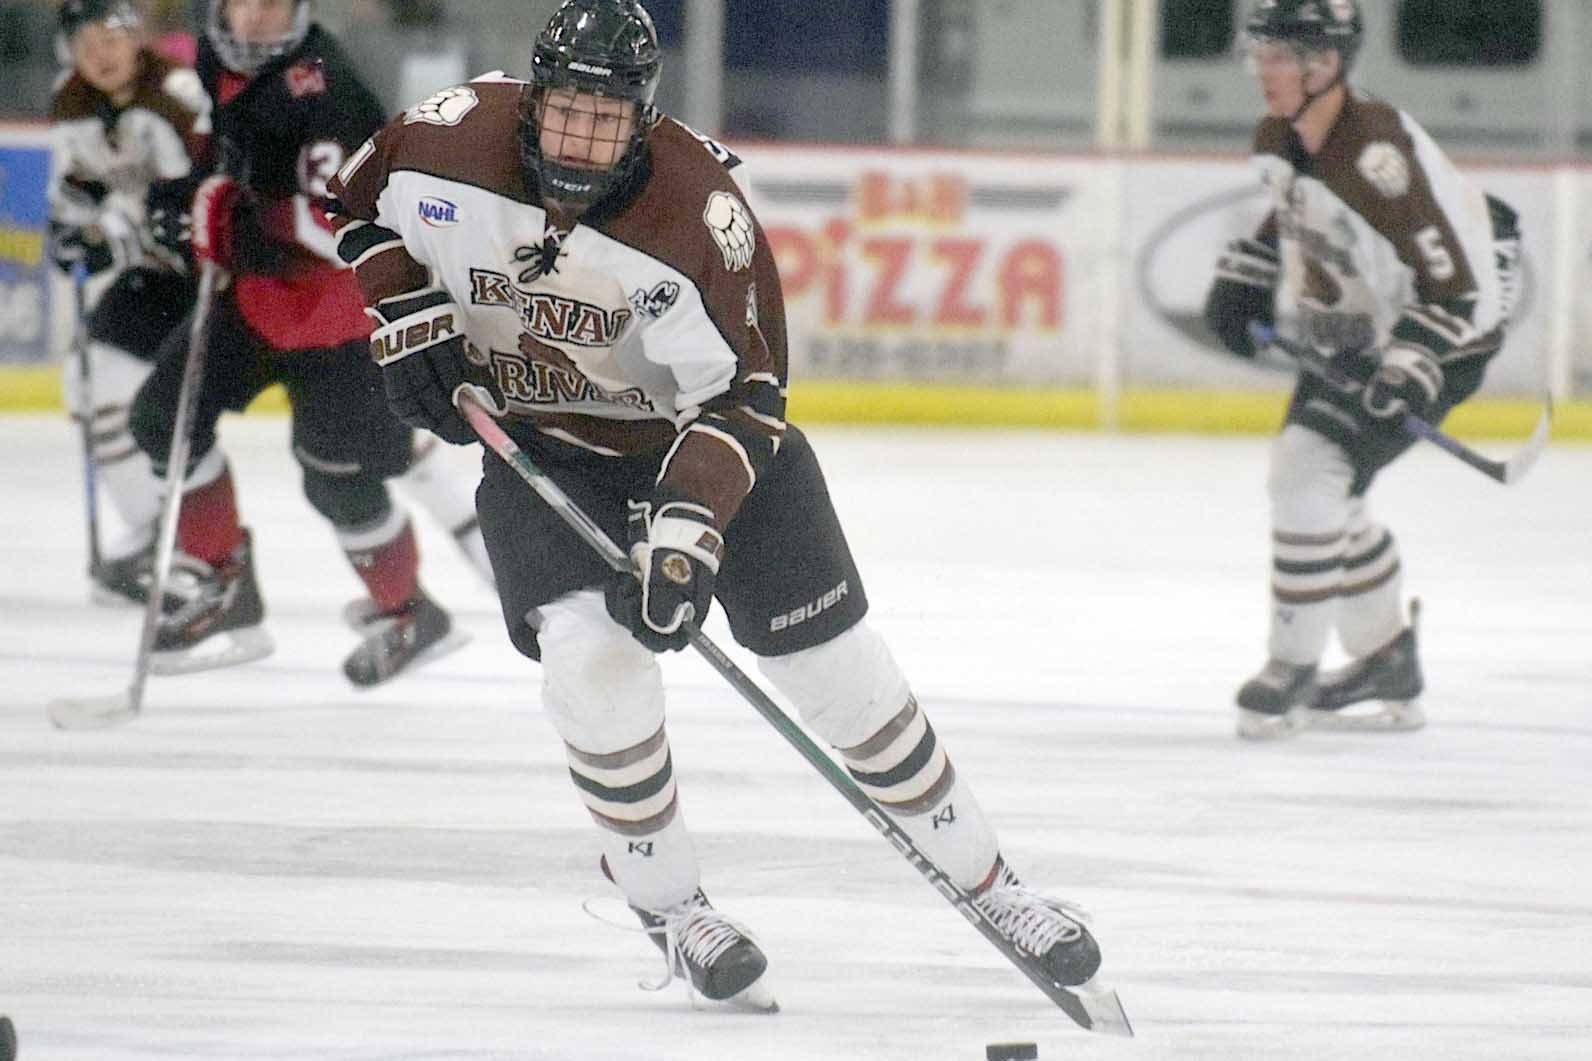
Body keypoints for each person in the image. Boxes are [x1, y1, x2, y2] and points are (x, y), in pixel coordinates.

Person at [328, 0, 1108, 1009]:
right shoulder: (445, 136)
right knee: (593, 667)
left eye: (606, 121)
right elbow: (353, 202)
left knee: (842, 681)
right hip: (548, 456)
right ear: (531, 101)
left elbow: (747, 396)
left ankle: (993, 883)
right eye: (564, 112)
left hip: (711, 454)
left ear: (641, 119)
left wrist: (684, 540)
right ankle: (671, 903)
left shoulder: (700, 215)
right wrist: (407, 308)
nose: (580, 140)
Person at [128, 0, 487, 686]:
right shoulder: (214, 60)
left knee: (338, 478)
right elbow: (229, 159)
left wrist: (231, 226)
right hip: (254, 304)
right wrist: (184, 197)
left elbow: (345, 229)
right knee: (163, 420)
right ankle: (223, 577)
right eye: (244, 3)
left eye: (273, 5)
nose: (256, 20)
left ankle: (408, 613)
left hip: (337, 319)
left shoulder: (330, 90)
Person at [1203, 0, 1520, 739]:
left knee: (1307, 472)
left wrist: (1412, 365)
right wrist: (1247, 269)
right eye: (1262, 52)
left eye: (1283, 55)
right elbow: (1293, 209)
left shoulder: (1378, 159)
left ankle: (1291, 666)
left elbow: (1455, 287)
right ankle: (1385, 657)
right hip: (1351, 333)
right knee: (1316, 488)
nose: (1264, 68)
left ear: (1328, 64)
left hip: (1445, 338)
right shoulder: (1281, 133)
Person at [48, 0, 208, 608]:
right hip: (159, 276)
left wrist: (124, 222)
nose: (99, 54)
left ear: (136, 37)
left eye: (109, 37)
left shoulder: (178, 93)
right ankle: (152, 538)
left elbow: (195, 193)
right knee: (92, 387)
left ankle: (194, 541)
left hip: (222, 274)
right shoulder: (72, 103)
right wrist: (73, 230)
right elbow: (77, 192)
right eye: (83, 42)